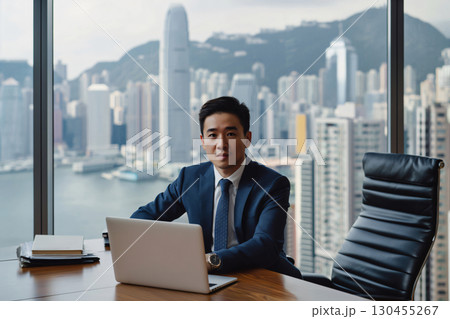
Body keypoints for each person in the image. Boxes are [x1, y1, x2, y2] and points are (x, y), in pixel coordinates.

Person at [131, 96, 302, 279]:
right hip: (207, 278)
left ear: (247, 138)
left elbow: (266, 245)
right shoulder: (189, 179)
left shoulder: (272, 184)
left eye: (230, 134)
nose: (221, 144)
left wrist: (212, 260)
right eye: (212, 135)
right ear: (203, 141)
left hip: (264, 278)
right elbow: (144, 218)